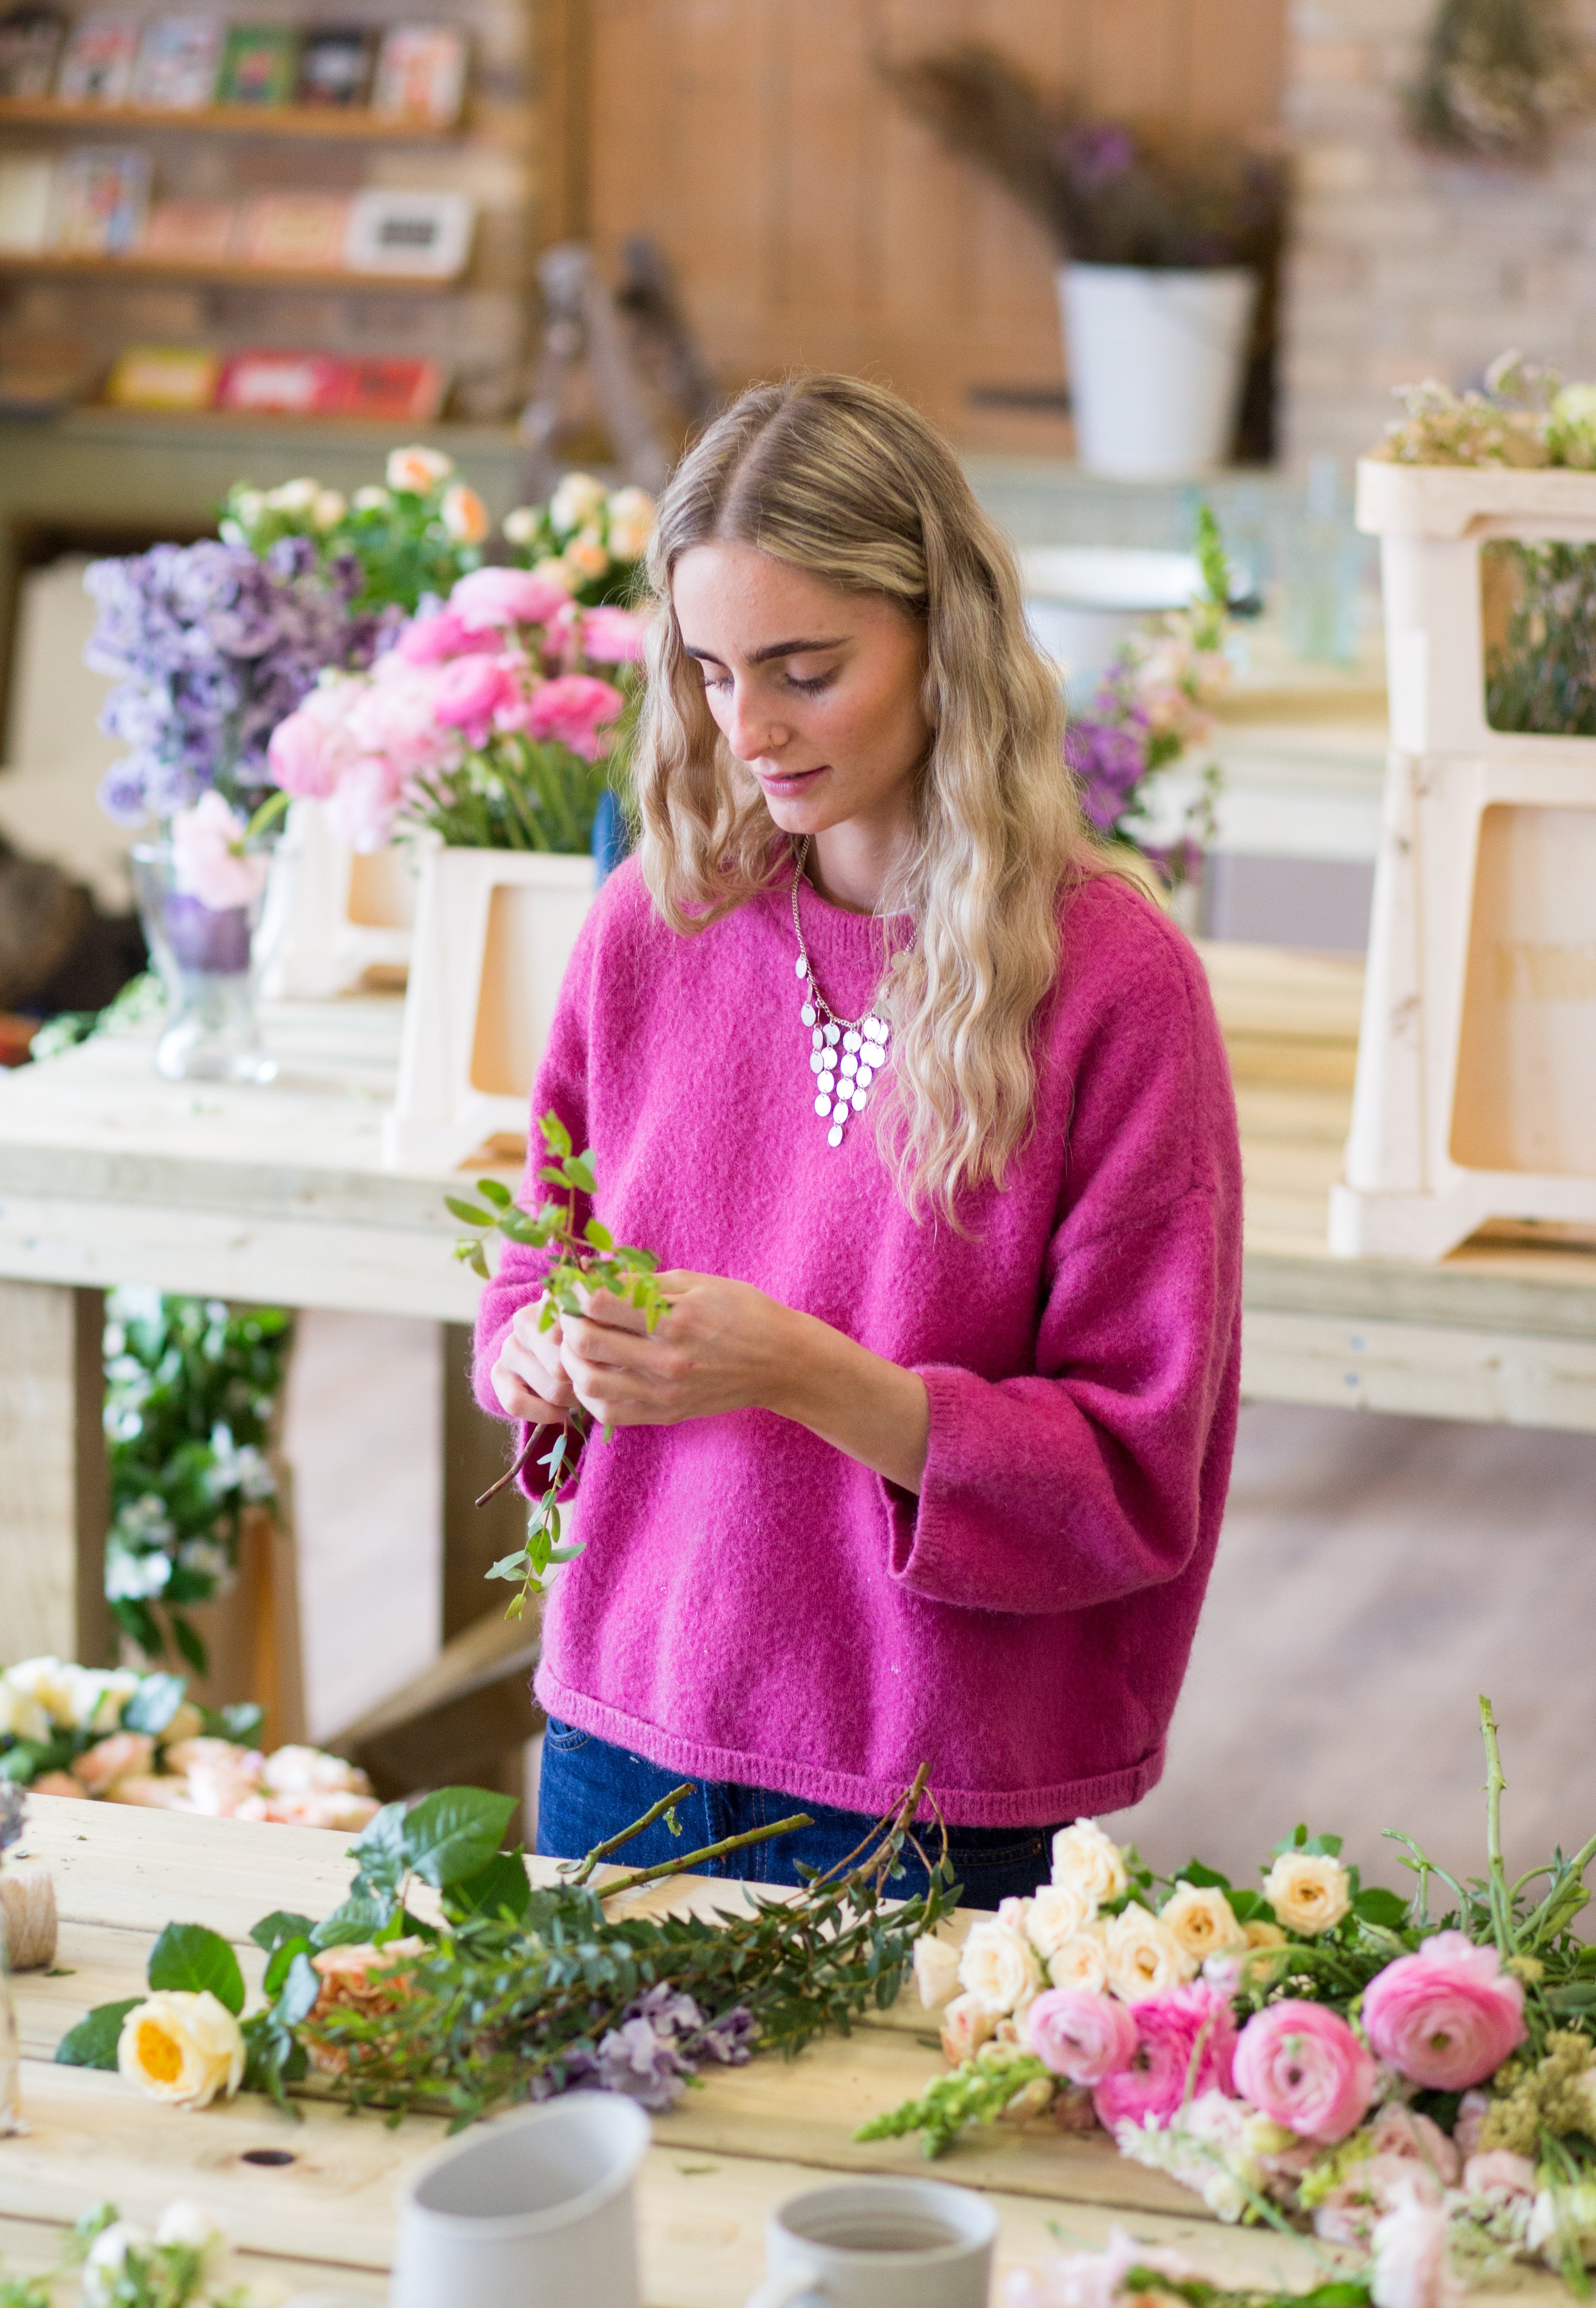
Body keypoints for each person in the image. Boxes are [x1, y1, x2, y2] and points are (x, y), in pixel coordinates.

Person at [473, 374, 1242, 1910]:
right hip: (620, 1726)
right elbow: (532, 1265)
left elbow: (1136, 1469)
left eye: (803, 671)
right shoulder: (655, 924)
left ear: (940, 643)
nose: (743, 729)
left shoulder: (1113, 986)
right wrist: (541, 1353)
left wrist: (799, 1369)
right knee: (608, 2149)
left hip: (927, 1780)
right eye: (705, 671)